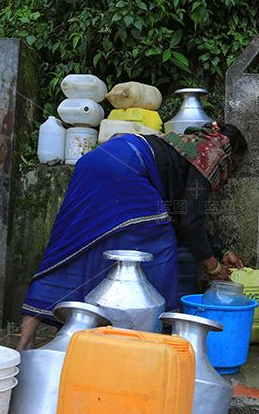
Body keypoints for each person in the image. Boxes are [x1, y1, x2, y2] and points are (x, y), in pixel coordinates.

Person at [17, 124, 247, 350]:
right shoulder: (210, 155)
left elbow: (183, 216)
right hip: (126, 167)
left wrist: (220, 250)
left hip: (93, 161)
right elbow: (189, 222)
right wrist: (214, 267)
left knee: (70, 246)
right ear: (231, 155)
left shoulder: (186, 146)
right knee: (162, 244)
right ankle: (162, 334)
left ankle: (25, 339)